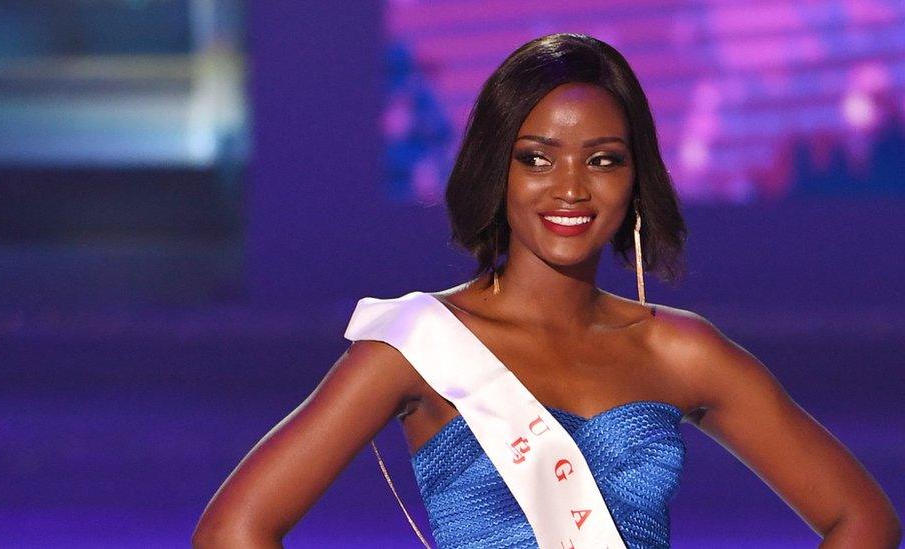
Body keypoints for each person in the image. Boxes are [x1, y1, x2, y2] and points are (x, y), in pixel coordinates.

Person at [192, 33, 901, 548]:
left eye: (603, 160)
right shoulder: (417, 345)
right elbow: (235, 529)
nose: (570, 188)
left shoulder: (683, 351)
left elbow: (862, 520)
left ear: (635, 179)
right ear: (496, 170)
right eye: (537, 158)